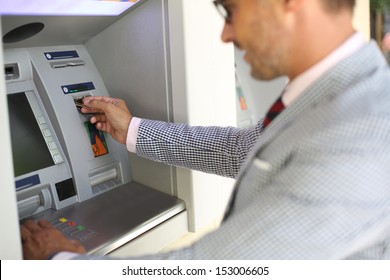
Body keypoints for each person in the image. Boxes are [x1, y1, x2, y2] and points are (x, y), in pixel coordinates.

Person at [21, 0, 390, 259]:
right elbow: (243, 149)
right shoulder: (341, 92)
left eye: (230, 10)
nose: (225, 35)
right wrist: (132, 130)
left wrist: (58, 259)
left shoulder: (360, 130)